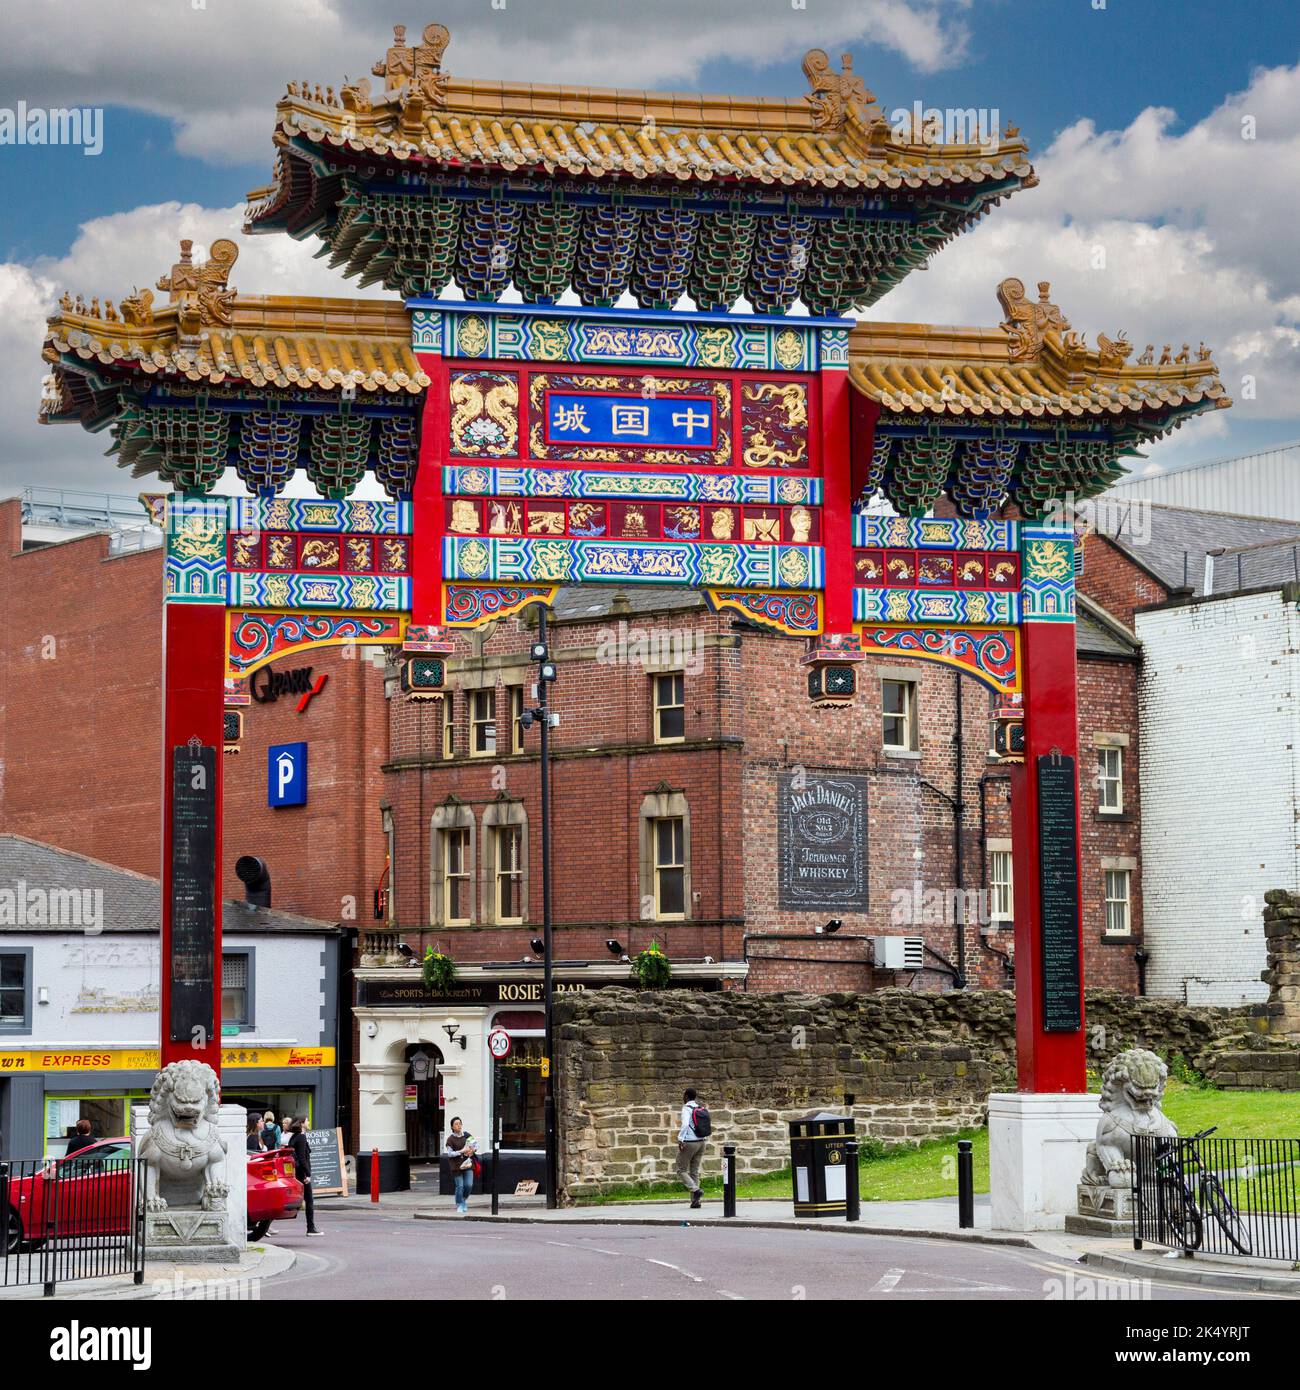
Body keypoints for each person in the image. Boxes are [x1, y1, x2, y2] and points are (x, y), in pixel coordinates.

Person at [288, 1117, 321, 1235]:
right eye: (307, 1120)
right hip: (302, 1173)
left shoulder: (294, 1136)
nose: (309, 1122)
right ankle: (311, 1228)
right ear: (302, 1123)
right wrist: (308, 1174)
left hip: (297, 1171)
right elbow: (302, 1158)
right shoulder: (301, 1137)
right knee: (309, 1200)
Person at [675, 1087, 707, 1209]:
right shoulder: (700, 1108)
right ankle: (695, 1202)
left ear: (687, 1096)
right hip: (702, 1142)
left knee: (680, 1169)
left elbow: (685, 1124)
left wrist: (680, 1139)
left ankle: (695, 1189)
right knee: (694, 1172)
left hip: (690, 1142)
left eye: (684, 1096)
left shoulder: (686, 1109)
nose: (683, 1098)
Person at [443, 1116, 478, 1215]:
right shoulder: (450, 1139)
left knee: (469, 1184)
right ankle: (459, 1204)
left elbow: (476, 1145)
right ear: (452, 1127)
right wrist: (461, 1151)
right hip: (456, 1165)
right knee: (460, 1186)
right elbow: (450, 1154)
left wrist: (472, 1151)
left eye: (460, 1123)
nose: (459, 1125)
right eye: (456, 1124)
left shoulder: (467, 1135)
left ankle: (463, 1199)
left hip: (467, 1164)